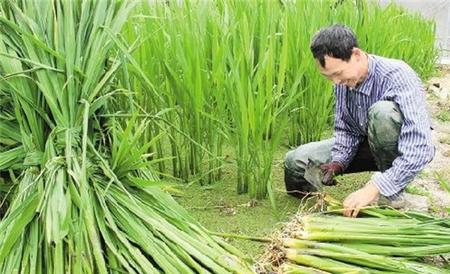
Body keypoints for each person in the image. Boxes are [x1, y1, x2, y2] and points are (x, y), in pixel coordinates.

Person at [284, 24, 434, 217]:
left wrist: (374, 187)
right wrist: (338, 162)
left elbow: (421, 148)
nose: (335, 82)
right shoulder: (343, 81)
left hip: (397, 149)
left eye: (337, 74)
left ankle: (393, 193)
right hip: (366, 147)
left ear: (356, 54)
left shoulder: (397, 75)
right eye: (328, 77)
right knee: (295, 161)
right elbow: (346, 128)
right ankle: (310, 204)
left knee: (382, 112)